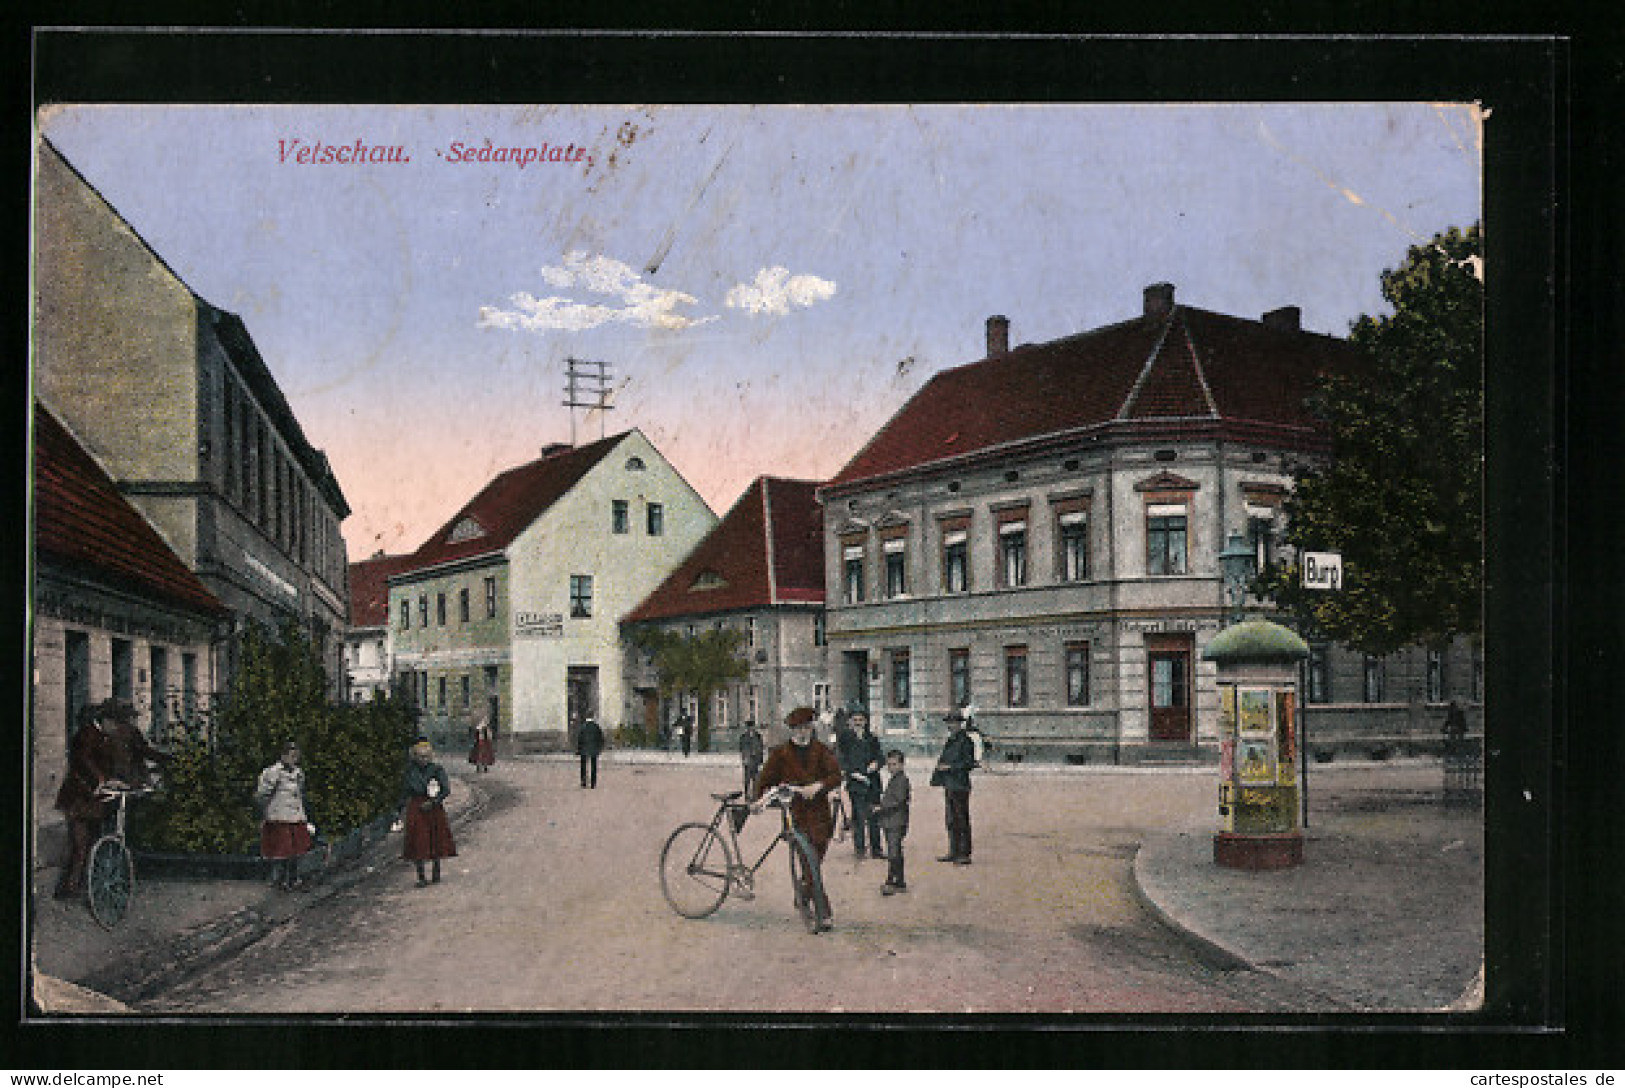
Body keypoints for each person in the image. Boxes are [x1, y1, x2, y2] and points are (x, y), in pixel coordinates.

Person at [52, 699, 168, 900]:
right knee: (80, 844)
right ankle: (68, 888)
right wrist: (102, 779)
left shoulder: (111, 734)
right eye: (115, 723)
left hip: (98, 798)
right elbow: (84, 761)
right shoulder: (86, 735)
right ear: (105, 719)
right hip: (79, 796)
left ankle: (86, 884)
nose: (118, 728)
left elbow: (137, 753)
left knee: (94, 841)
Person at [754, 706, 842, 930]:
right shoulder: (780, 754)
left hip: (821, 815)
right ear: (791, 730)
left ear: (812, 728)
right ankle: (823, 913)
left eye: (807, 728)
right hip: (796, 815)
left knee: (816, 859)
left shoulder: (821, 750)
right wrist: (759, 799)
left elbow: (836, 775)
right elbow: (764, 779)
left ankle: (803, 893)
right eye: (798, 729)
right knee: (808, 861)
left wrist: (819, 785)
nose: (803, 733)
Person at [256, 741, 314, 891]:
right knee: (281, 851)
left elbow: (300, 794)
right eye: (291, 756)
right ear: (283, 755)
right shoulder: (273, 772)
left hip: (295, 816)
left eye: (296, 756)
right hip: (279, 816)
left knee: (296, 850)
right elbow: (263, 794)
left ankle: (293, 879)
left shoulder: (298, 773)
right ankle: (277, 880)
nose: (294, 759)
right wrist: (266, 812)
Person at [400, 739, 457, 887]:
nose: (423, 760)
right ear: (415, 756)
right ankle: (421, 876)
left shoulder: (436, 769)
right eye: (420, 756)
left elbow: (445, 789)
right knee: (418, 839)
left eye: (426, 757)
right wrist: (400, 809)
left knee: (435, 837)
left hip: (433, 807)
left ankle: (436, 870)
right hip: (416, 807)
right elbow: (404, 791)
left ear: (430, 757)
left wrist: (434, 801)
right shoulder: (410, 770)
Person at [836, 705, 884, 860]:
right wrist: (852, 773)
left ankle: (876, 849)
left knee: (874, 816)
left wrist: (876, 764)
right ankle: (860, 849)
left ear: (866, 721)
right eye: (855, 720)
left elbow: (880, 757)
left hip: (872, 782)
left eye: (861, 720)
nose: (858, 723)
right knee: (858, 817)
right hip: (856, 783)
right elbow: (841, 760)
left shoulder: (872, 738)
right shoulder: (845, 738)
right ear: (850, 721)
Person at [931, 708, 976, 865]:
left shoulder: (966, 742)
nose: (951, 726)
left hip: (960, 785)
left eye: (954, 723)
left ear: (960, 724)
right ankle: (953, 850)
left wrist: (950, 767)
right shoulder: (951, 740)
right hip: (950, 784)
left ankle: (964, 853)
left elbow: (969, 763)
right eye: (949, 723)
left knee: (961, 818)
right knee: (951, 819)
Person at [874, 749, 912, 895]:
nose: (891, 768)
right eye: (889, 765)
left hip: (896, 821)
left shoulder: (902, 780)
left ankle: (892, 881)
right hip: (892, 821)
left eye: (895, 764)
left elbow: (897, 800)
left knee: (894, 852)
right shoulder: (896, 779)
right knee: (895, 851)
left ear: (902, 765)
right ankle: (900, 881)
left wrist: (880, 807)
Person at [577, 715, 605, 789]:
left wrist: (579, 749)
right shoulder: (596, 727)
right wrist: (599, 748)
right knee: (594, 766)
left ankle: (583, 782)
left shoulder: (583, 727)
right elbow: (601, 738)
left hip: (584, 749)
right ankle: (593, 783)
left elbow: (580, 738)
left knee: (583, 766)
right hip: (594, 749)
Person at [738, 720, 764, 799]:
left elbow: (760, 748)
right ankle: (747, 795)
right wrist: (745, 758)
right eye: (749, 727)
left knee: (756, 779)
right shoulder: (743, 737)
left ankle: (754, 795)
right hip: (748, 761)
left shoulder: (758, 736)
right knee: (747, 779)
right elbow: (742, 749)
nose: (751, 729)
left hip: (756, 760)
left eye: (752, 727)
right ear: (747, 728)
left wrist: (761, 761)